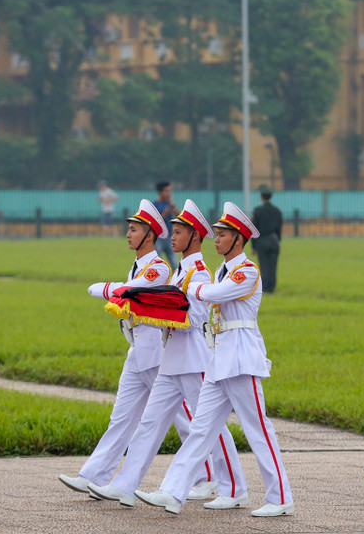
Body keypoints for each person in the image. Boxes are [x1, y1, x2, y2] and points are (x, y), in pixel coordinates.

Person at [135, 202, 294, 517]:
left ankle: (280, 497)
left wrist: (191, 289)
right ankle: (177, 491)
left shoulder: (246, 271)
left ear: (239, 239)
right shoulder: (222, 271)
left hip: (243, 357)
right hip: (220, 357)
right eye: (218, 234)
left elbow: (215, 294)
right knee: (201, 429)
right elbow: (210, 293)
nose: (217, 239)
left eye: (223, 235)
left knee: (257, 429)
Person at [92, 199, 246, 508]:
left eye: (179, 232)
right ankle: (124, 485)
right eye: (173, 231)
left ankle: (234, 487)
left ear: (195, 237)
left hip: (194, 360)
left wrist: (158, 310)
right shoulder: (178, 274)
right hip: (171, 360)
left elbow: (196, 319)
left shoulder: (199, 275)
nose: (173, 237)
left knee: (209, 427)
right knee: (149, 424)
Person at [58, 200, 201, 494]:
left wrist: (104, 288)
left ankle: (203, 477)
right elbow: (125, 291)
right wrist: (114, 290)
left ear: (149, 235)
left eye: (134, 230)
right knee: (122, 418)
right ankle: (94, 475)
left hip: (155, 352)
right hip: (138, 350)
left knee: (183, 419)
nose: (128, 234)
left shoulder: (158, 269)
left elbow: (129, 294)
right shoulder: (139, 265)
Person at [251, 185, 283, 294]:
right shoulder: (277, 211)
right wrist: (277, 238)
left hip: (262, 241)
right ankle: (272, 287)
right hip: (273, 240)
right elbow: (279, 227)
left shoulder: (258, 211)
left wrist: (253, 246)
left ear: (262, 197)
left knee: (264, 265)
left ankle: (265, 288)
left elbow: (254, 229)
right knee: (273, 265)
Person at [153, 181, 179, 271]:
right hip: (158, 238)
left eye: (169, 191)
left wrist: (172, 204)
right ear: (160, 192)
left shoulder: (170, 204)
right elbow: (155, 221)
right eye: (166, 191)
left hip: (170, 237)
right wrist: (165, 212)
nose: (169, 193)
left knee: (174, 263)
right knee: (158, 264)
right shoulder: (154, 205)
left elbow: (180, 216)